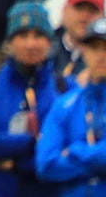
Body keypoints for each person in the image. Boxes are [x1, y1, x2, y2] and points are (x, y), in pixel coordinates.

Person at [0, 0, 63, 197]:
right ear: (9, 42)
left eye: (38, 36)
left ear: (49, 42)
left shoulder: (64, 88)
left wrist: (15, 163)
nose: (30, 44)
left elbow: (62, 149)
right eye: (22, 35)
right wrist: (30, 143)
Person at [34, 18, 106, 194]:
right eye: (95, 47)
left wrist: (76, 151)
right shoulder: (66, 103)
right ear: (83, 50)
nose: (101, 55)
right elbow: (46, 164)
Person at [54, 0, 105, 82]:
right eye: (79, 8)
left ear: (102, 16)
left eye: (92, 11)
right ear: (65, 10)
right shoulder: (44, 47)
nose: (85, 16)